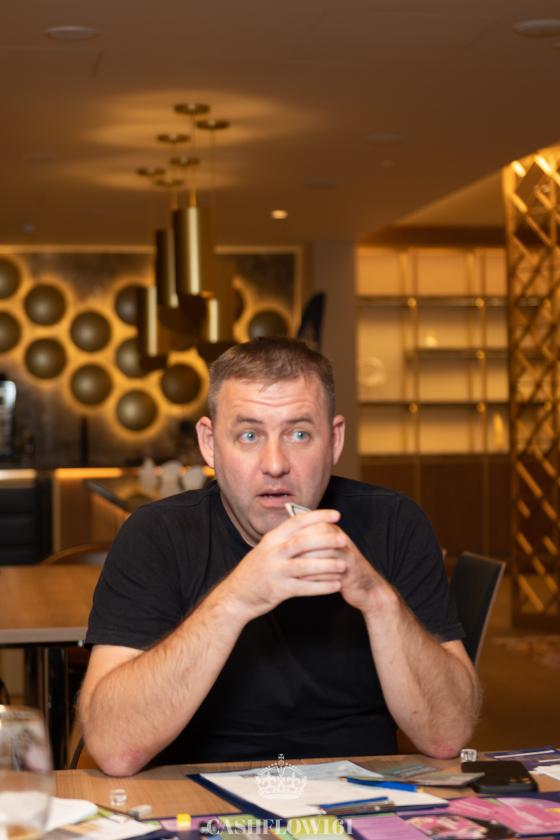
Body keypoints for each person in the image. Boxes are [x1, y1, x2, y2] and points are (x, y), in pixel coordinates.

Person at [80, 337, 480, 776]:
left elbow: (447, 735)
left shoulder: (394, 522)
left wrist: (377, 597)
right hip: (196, 795)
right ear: (210, 444)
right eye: (249, 435)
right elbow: (115, 749)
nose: (275, 464)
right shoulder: (157, 534)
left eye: (299, 434)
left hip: (362, 795)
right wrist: (236, 598)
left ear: (334, 441)